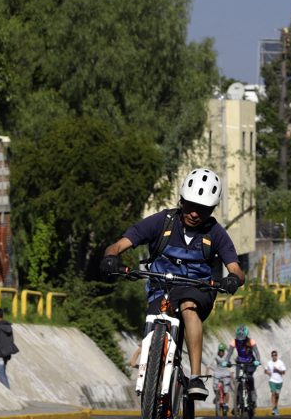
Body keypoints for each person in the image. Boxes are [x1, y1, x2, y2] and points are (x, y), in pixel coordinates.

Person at [101, 168, 246, 400]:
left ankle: (196, 377)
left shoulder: (216, 233)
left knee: (189, 306)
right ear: (181, 200)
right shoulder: (163, 222)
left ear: (212, 210)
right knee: (156, 313)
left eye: (203, 209)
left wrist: (232, 278)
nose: (195, 213)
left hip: (198, 289)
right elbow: (119, 245)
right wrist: (111, 257)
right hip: (162, 286)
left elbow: (236, 268)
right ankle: (151, 369)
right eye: (190, 205)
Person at [223, 325, 263, 410]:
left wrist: (258, 360)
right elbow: (229, 353)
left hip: (250, 363)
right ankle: (237, 403)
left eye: (242, 337)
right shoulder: (234, 341)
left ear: (246, 336)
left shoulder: (251, 341)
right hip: (240, 362)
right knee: (238, 380)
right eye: (239, 337)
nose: (240, 339)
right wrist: (226, 361)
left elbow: (257, 353)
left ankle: (252, 398)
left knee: (249, 378)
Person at [0, 307, 18, 389]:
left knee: (0, 373)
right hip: (7, 352)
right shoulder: (8, 326)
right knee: (3, 372)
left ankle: (7, 392)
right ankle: (7, 390)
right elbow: (11, 340)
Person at [264, 350, 287, 416]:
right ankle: (273, 408)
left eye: (275, 355)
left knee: (277, 395)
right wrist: (267, 372)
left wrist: (278, 370)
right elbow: (265, 370)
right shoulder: (269, 363)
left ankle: (276, 407)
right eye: (273, 355)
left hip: (279, 382)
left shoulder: (280, 362)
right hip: (272, 380)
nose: (274, 356)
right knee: (273, 393)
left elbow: (284, 372)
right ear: (271, 356)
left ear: (277, 356)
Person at [212, 343, 232, 415]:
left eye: (222, 351)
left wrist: (229, 364)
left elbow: (229, 363)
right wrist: (208, 368)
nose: (221, 352)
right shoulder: (216, 356)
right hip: (218, 374)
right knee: (215, 387)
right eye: (220, 350)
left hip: (225, 374)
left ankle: (225, 404)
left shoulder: (226, 357)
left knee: (226, 390)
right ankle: (217, 398)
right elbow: (210, 362)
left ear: (224, 351)